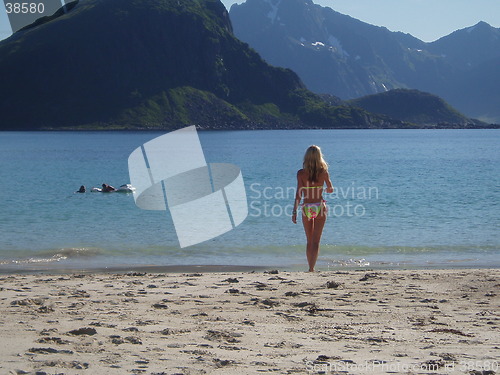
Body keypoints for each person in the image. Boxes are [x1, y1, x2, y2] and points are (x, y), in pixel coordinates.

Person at [292, 145, 334, 272]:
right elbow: (331, 189)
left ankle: (310, 267)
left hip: (306, 207)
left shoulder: (301, 173)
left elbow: (298, 194)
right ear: (319, 157)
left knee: (309, 240)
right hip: (319, 206)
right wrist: (326, 189)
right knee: (316, 241)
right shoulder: (324, 172)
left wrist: (294, 211)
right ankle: (312, 268)